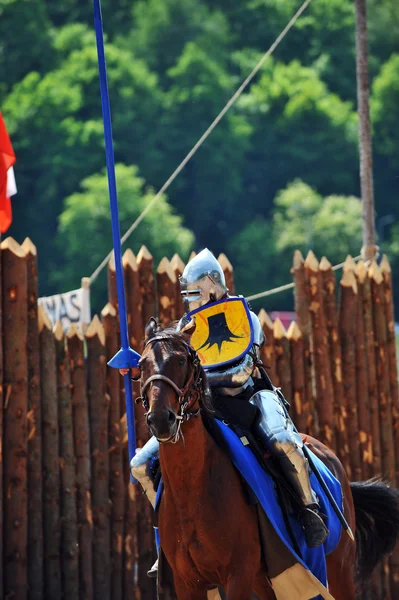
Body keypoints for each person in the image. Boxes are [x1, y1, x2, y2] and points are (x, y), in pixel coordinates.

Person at [121, 249, 328, 577]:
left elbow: (243, 370)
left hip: (249, 396)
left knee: (284, 442)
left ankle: (308, 508)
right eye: (185, 292)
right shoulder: (185, 328)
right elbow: (170, 369)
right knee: (141, 464)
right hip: (202, 406)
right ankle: (171, 537)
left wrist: (203, 380)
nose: (188, 298)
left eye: (193, 290)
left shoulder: (245, 318)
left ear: (210, 286)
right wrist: (138, 369)